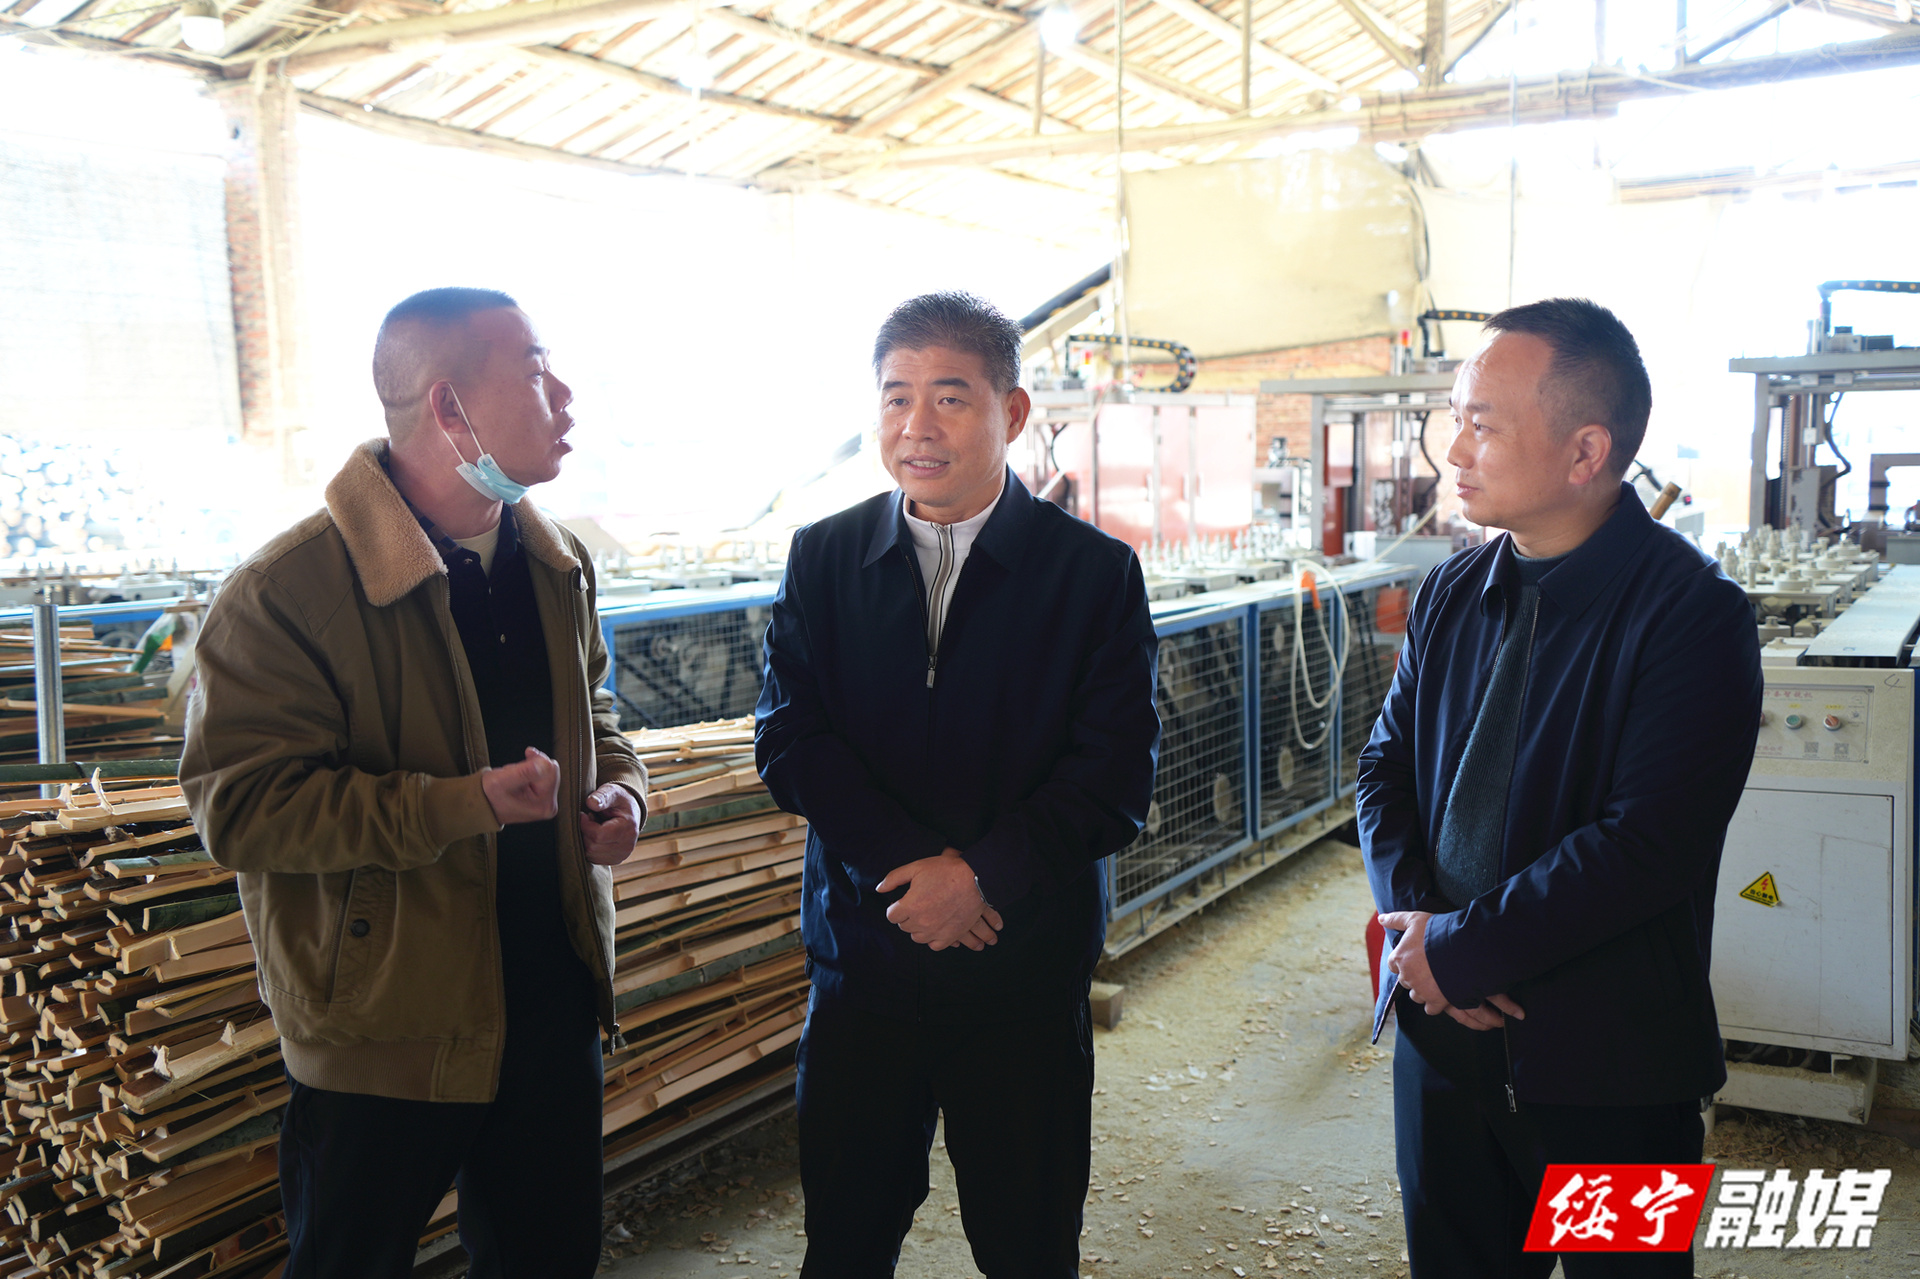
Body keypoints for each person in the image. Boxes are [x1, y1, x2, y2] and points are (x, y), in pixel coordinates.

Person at [181, 287, 646, 1278]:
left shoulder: (554, 560)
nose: (565, 396)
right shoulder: (285, 592)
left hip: (550, 995)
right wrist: (461, 806)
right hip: (385, 1022)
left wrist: (623, 795)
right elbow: (243, 809)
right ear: (448, 407)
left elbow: (597, 716)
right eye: (535, 372)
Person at [754, 291, 1161, 1278]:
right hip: (865, 965)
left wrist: (981, 878)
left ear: (1010, 412)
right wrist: (912, 868)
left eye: (949, 398)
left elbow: (1114, 773)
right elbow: (790, 736)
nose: (916, 427)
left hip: (1019, 975)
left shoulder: (1092, 575)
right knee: (844, 1242)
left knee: (1028, 1245)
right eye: (896, 397)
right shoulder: (825, 557)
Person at [1358, 298, 1762, 1277]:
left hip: (1609, 1070)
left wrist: (1465, 948)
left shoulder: (1692, 616)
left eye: (1483, 424)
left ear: (1586, 452)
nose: (1453, 451)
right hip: (1444, 1047)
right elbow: (1384, 769)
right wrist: (1421, 938)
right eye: (1454, 418)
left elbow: (1645, 846)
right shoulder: (1454, 590)